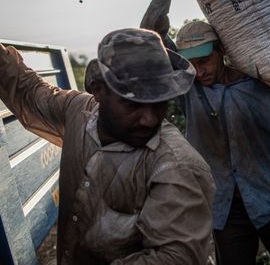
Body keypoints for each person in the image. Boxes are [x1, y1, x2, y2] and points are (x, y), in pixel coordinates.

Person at [140, 0, 270, 265]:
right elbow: (150, 32)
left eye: (205, 61)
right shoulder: (188, 87)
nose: (199, 72)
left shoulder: (260, 84)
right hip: (223, 208)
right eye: (191, 64)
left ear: (221, 51)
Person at [0, 28, 215, 265]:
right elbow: (28, 90)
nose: (150, 119)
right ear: (98, 90)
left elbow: (177, 257)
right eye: (134, 103)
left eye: (159, 103)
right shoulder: (77, 111)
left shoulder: (177, 166)